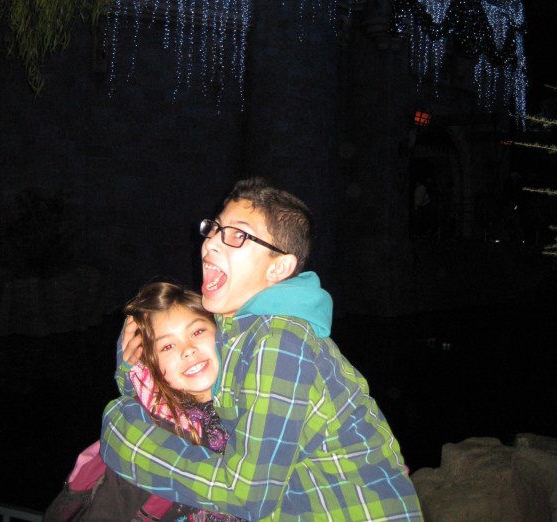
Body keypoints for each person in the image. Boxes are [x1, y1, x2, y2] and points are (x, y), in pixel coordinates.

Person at [101, 177, 423, 520]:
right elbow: (190, 409)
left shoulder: (280, 342)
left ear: (278, 267)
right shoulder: (236, 332)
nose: (210, 245)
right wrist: (135, 368)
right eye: (214, 228)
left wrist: (124, 437)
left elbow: (245, 495)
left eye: (237, 235)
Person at [44, 282, 244, 522]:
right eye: (168, 346)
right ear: (152, 367)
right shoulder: (152, 429)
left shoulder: (256, 399)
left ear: (222, 332)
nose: (188, 350)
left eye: (197, 332)